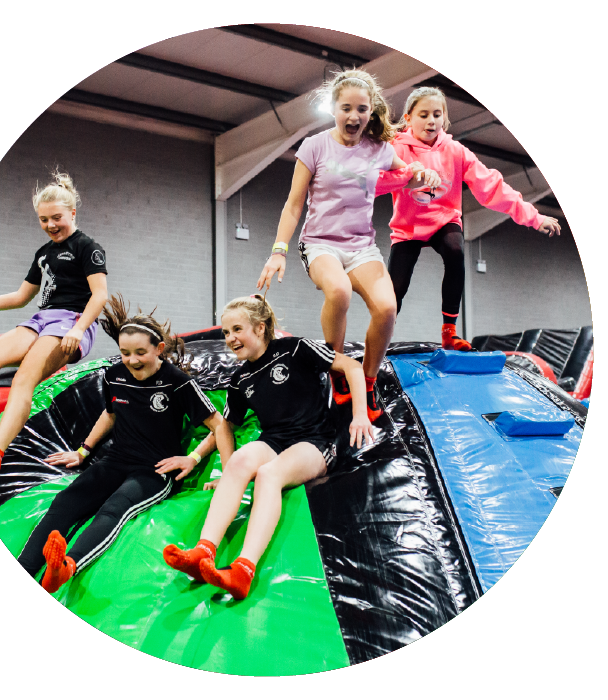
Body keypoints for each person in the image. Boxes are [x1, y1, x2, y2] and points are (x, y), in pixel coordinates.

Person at [163, 294, 374, 601]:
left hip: (315, 441)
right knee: (239, 462)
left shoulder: (294, 349)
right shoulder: (240, 378)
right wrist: (223, 470)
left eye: (237, 329)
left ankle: (243, 569)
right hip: (275, 439)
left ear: (260, 328)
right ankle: (203, 552)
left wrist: (360, 415)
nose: (230, 338)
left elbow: (352, 366)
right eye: (226, 332)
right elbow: (225, 427)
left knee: (269, 474)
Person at [257, 69, 440, 421]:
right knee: (339, 291)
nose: (353, 116)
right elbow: (293, 205)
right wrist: (278, 250)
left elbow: (409, 175)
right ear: (333, 109)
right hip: (319, 244)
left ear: (371, 112)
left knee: (387, 308)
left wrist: (424, 174)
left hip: (361, 248)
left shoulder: (379, 150)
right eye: (346, 109)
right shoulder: (315, 146)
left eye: (361, 109)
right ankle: (337, 368)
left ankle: (367, 380)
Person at [17, 294, 232, 594]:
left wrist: (202, 462)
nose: (132, 360)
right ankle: (23, 569)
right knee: (66, 500)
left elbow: (219, 425)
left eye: (140, 352)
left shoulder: (177, 382)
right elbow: (110, 413)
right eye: (125, 353)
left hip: (155, 470)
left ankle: (67, 567)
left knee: (115, 507)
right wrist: (83, 451)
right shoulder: (115, 375)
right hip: (115, 461)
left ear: (159, 349)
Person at [0, 171, 109, 472]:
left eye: (56, 218)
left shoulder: (87, 247)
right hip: (42, 319)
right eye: (43, 220)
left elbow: (100, 295)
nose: (50, 225)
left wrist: (78, 328)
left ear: (72, 213)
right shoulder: (44, 253)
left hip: (71, 321)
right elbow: (21, 296)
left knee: (23, 379)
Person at [376, 86, 561, 351]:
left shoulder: (456, 151)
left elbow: (492, 187)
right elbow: (374, 182)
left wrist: (534, 217)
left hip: (444, 220)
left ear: (444, 117)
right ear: (408, 118)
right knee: (396, 287)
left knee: (455, 250)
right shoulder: (397, 149)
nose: (431, 121)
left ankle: (449, 332)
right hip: (409, 227)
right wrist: (406, 175)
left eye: (437, 114)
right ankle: (380, 338)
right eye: (423, 115)